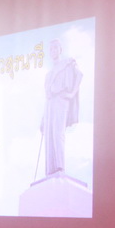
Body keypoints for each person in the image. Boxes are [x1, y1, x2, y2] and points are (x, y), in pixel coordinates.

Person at [41, 38, 83, 177]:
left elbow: (79, 75)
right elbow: (47, 99)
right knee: (50, 136)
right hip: (50, 105)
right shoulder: (48, 74)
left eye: (55, 48)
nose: (53, 51)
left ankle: (60, 166)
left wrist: (71, 94)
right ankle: (51, 168)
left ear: (60, 50)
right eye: (51, 49)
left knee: (58, 133)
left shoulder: (67, 63)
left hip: (61, 100)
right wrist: (43, 119)